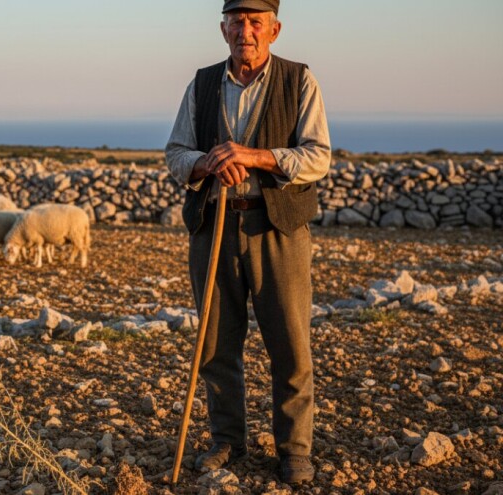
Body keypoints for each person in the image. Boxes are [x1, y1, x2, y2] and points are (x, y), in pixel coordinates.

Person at [164, 0, 331, 484]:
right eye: (237, 22)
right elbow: (175, 154)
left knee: (291, 345)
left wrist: (254, 157)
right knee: (216, 344)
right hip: (214, 224)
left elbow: (318, 156)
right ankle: (227, 442)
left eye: (256, 23)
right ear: (223, 30)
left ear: (274, 30)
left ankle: (294, 450)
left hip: (278, 228)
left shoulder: (299, 79)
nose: (246, 31)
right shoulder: (202, 83)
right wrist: (208, 163)